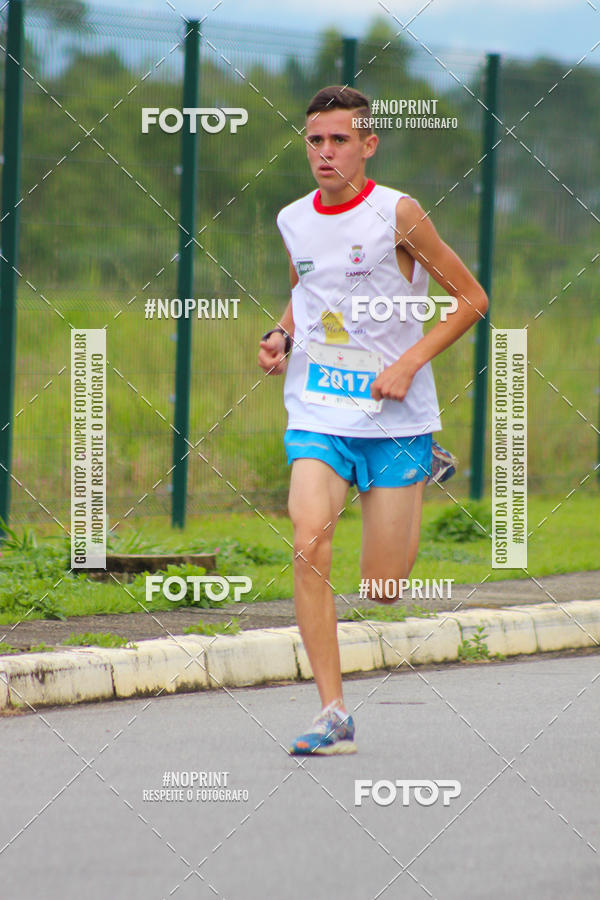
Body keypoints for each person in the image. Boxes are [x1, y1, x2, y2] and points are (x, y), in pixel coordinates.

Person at [257, 86, 488, 755]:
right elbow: (308, 290)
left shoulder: (399, 214)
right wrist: (282, 335)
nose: (325, 153)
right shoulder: (293, 219)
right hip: (320, 411)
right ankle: (332, 712)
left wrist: (410, 362)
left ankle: (423, 465)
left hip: (395, 417)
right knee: (307, 543)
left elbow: (471, 299)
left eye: (339, 141)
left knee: (382, 588)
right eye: (315, 141)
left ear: (368, 145)